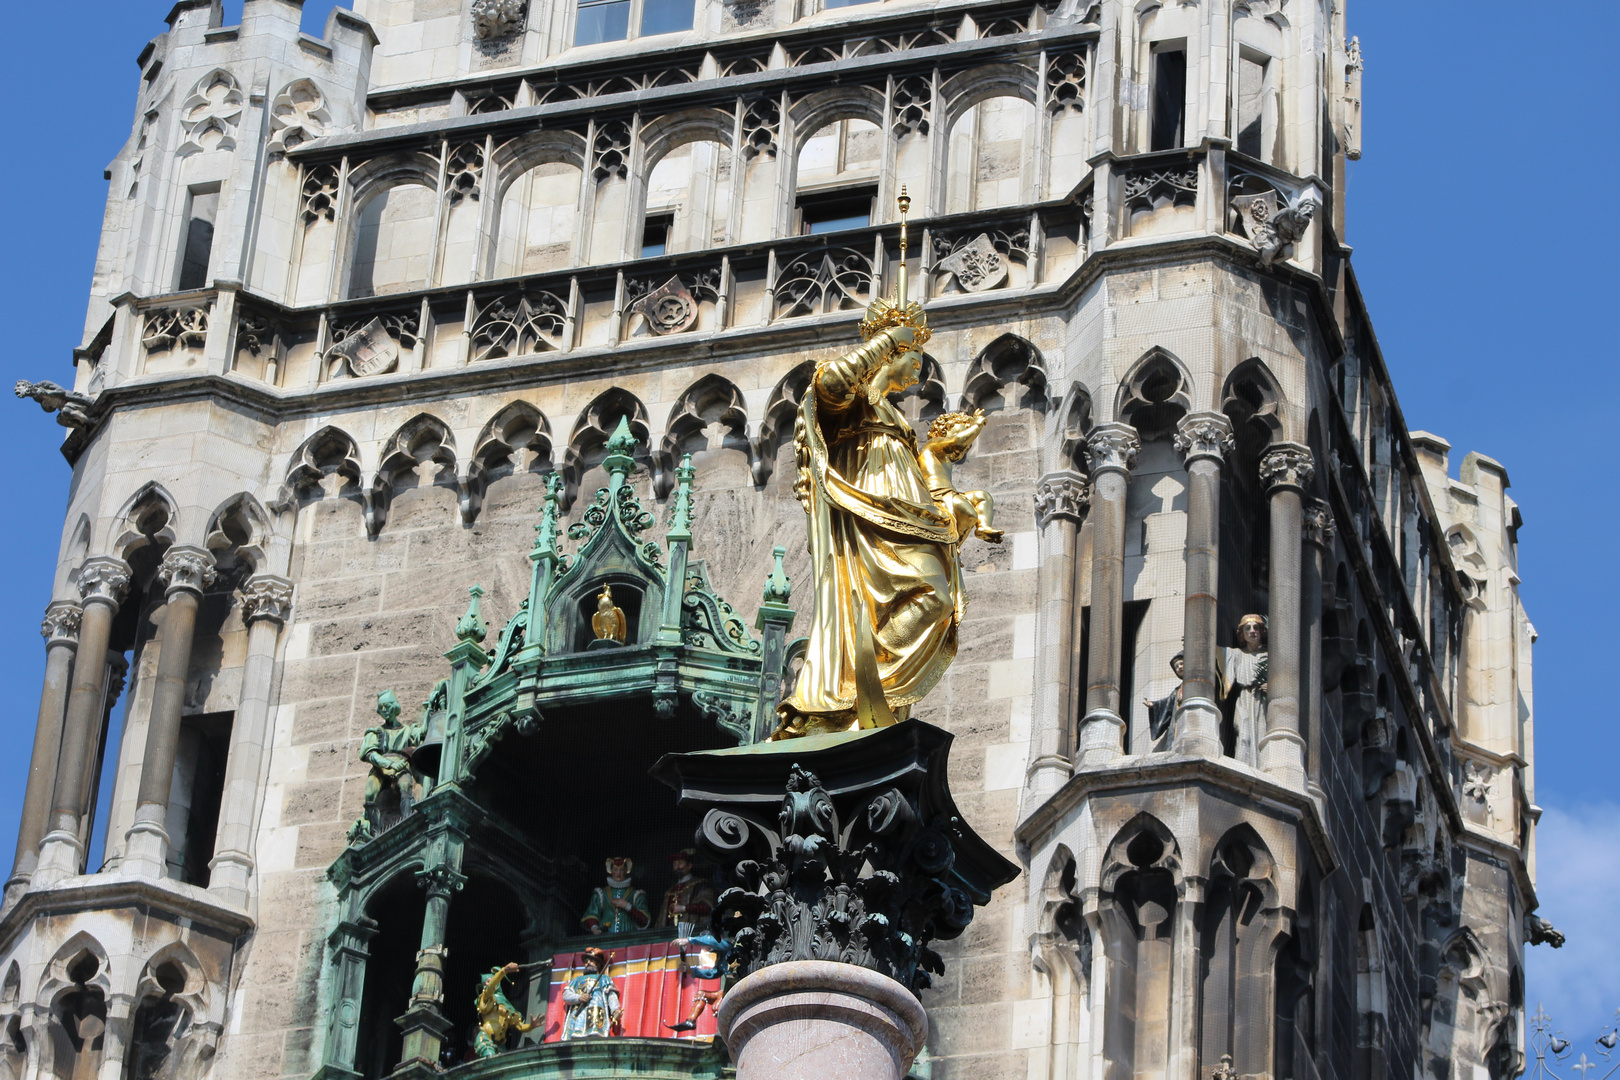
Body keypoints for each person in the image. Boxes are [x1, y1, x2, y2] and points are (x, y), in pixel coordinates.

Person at [774, 300, 972, 738]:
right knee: (920, 598)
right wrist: (885, 340)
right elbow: (830, 384)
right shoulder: (857, 399)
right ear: (891, 353)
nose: (919, 360)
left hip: (904, 516)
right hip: (864, 518)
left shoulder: (898, 417)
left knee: (935, 601)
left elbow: (926, 477)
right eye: (913, 352)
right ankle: (857, 698)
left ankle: (876, 695)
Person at [917, 409, 1004, 544]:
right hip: (936, 495)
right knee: (969, 513)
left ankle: (983, 527)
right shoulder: (933, 446)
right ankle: (954, 545)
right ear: (943, 433)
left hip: (951, 493)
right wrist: (977, 426)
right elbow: (956, 441)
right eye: (960, 433)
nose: (965, 443)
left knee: (983, 497)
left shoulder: (945, 459)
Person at [1223, 615, 1269, 766]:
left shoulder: (1269, 655)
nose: (1252, 631)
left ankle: (1262, 767)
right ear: (1242, 634)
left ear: (1262, 631)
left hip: (1262, 700)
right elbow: (1214, 654)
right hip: (1244, 698)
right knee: (1243, 733)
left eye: (1256, 628)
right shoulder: (1236, 654)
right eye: (1247, 628)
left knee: (1262, 731)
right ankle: (1244, 766)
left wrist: (1272, 686)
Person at [664, 933, 731, 1033]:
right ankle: (690, 1021)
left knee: (717, 1007)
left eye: (707, 946)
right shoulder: (722, 957)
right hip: (727, 991)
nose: (708, 949)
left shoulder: (727, 947)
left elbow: (713, 941)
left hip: (736, 987)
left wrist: (689, 940)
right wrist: (691, 971)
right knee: (701, 994)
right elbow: (714, 973)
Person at [472, 963, 539, 1057]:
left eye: (489, 981)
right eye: (485, 983)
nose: (487, 984)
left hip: (501, 1045)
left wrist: (531, 1026)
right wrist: (504, 971)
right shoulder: (487, 998)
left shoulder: (507, 1006)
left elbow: (519, 1026)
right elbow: (491, 987)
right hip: (486, 1039)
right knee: (491, 1059)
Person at [560, 948, 620, 1040]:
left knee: (595, 1033)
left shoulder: (604, 978)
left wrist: (615, 1010)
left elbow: (611, 995)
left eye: (591, 960)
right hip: (579, 1011)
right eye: (586, 961)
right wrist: (579, 998)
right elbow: (566, 995)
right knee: (577, 1034)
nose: (588, 963)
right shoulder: (576, 980)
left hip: (596, 1010)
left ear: (598, 963)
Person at [581, 857, 651, 935]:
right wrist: (595, 928)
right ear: (611, 871)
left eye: (621, 870)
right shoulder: (601, 893)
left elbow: (644, 921)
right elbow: (592, 914)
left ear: (626, 871)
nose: (618, 873)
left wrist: (628, 906)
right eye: (615, 870)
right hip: (606, 935)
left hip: (628, 935)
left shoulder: (636, 895)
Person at [657, 849, 715, 934]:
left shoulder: (700, 884)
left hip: (693, 931)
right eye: (675, 864)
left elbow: (708, 907)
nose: (677, 867)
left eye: (680, 863)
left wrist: (684, 908)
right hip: (670, 933)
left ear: (689, 865)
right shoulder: (670, 891)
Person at [1141, 650, 1185, 749]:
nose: (1179, 668)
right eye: (1177, 667)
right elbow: (1168, 703)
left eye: (1181, 664)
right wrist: (1154, 705)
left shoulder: (1196, 683)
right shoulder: (1177, 691)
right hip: (1177, 723)